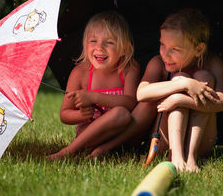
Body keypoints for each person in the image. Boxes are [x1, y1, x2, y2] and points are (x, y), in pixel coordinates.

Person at [48, 11, 156, 160]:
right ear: (84, 44)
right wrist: (80, 115)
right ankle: (69, 151)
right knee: (120, 114)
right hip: (90, 135)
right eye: (93, 41)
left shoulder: (129, 68)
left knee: (133, 110)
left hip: (125, 134)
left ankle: (104, 150)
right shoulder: (80, 73)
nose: (100, 48)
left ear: (124, 48)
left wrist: (93, 96)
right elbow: (64, 114)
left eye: (109, 42)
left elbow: (131, 103)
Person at [137, 8, 223, 172]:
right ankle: (177, 157)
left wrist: (180, 99)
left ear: (199, 49)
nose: (165, 54)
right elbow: (141, 93)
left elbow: (222, 103)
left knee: (203, 75)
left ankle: (191, 158)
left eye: (175, 49)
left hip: (202, 143)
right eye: (162, 44)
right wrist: (183, 85)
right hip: (166, 143)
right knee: (179, 77)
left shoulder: (212, 62)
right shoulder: (157, 63)